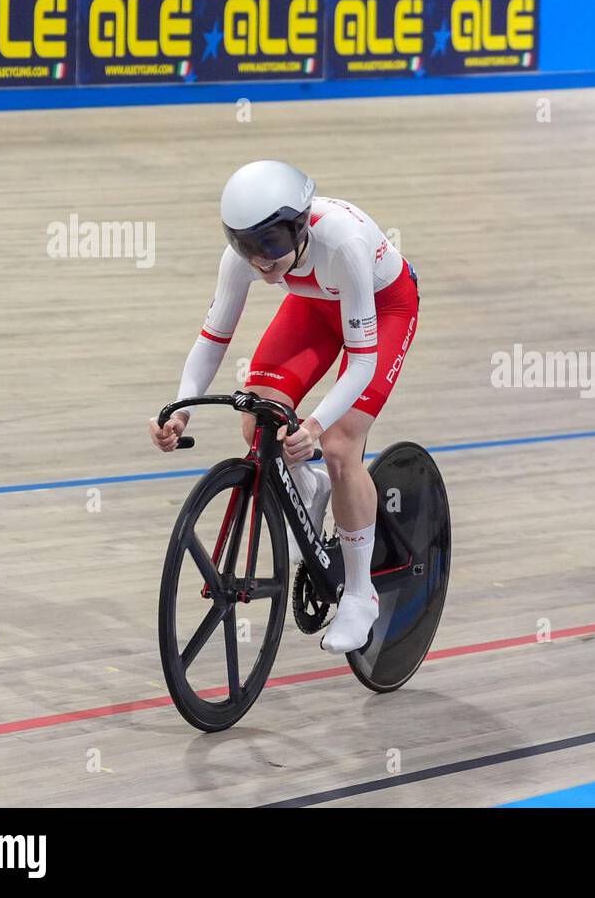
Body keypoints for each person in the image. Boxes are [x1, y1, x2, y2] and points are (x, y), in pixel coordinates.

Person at [150, 161, 420, 655]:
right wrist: (180, 406)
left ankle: (360, 597)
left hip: (383, 307)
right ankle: (309, 488)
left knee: (340, 447)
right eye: (245, 245)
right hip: (317, 304)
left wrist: (315, 426)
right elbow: (213, 340)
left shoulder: (344, 244)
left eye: (271, 244)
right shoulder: (246, 259)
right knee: (258, 420)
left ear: (298, 226)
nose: (260, 261)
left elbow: (361, 363)